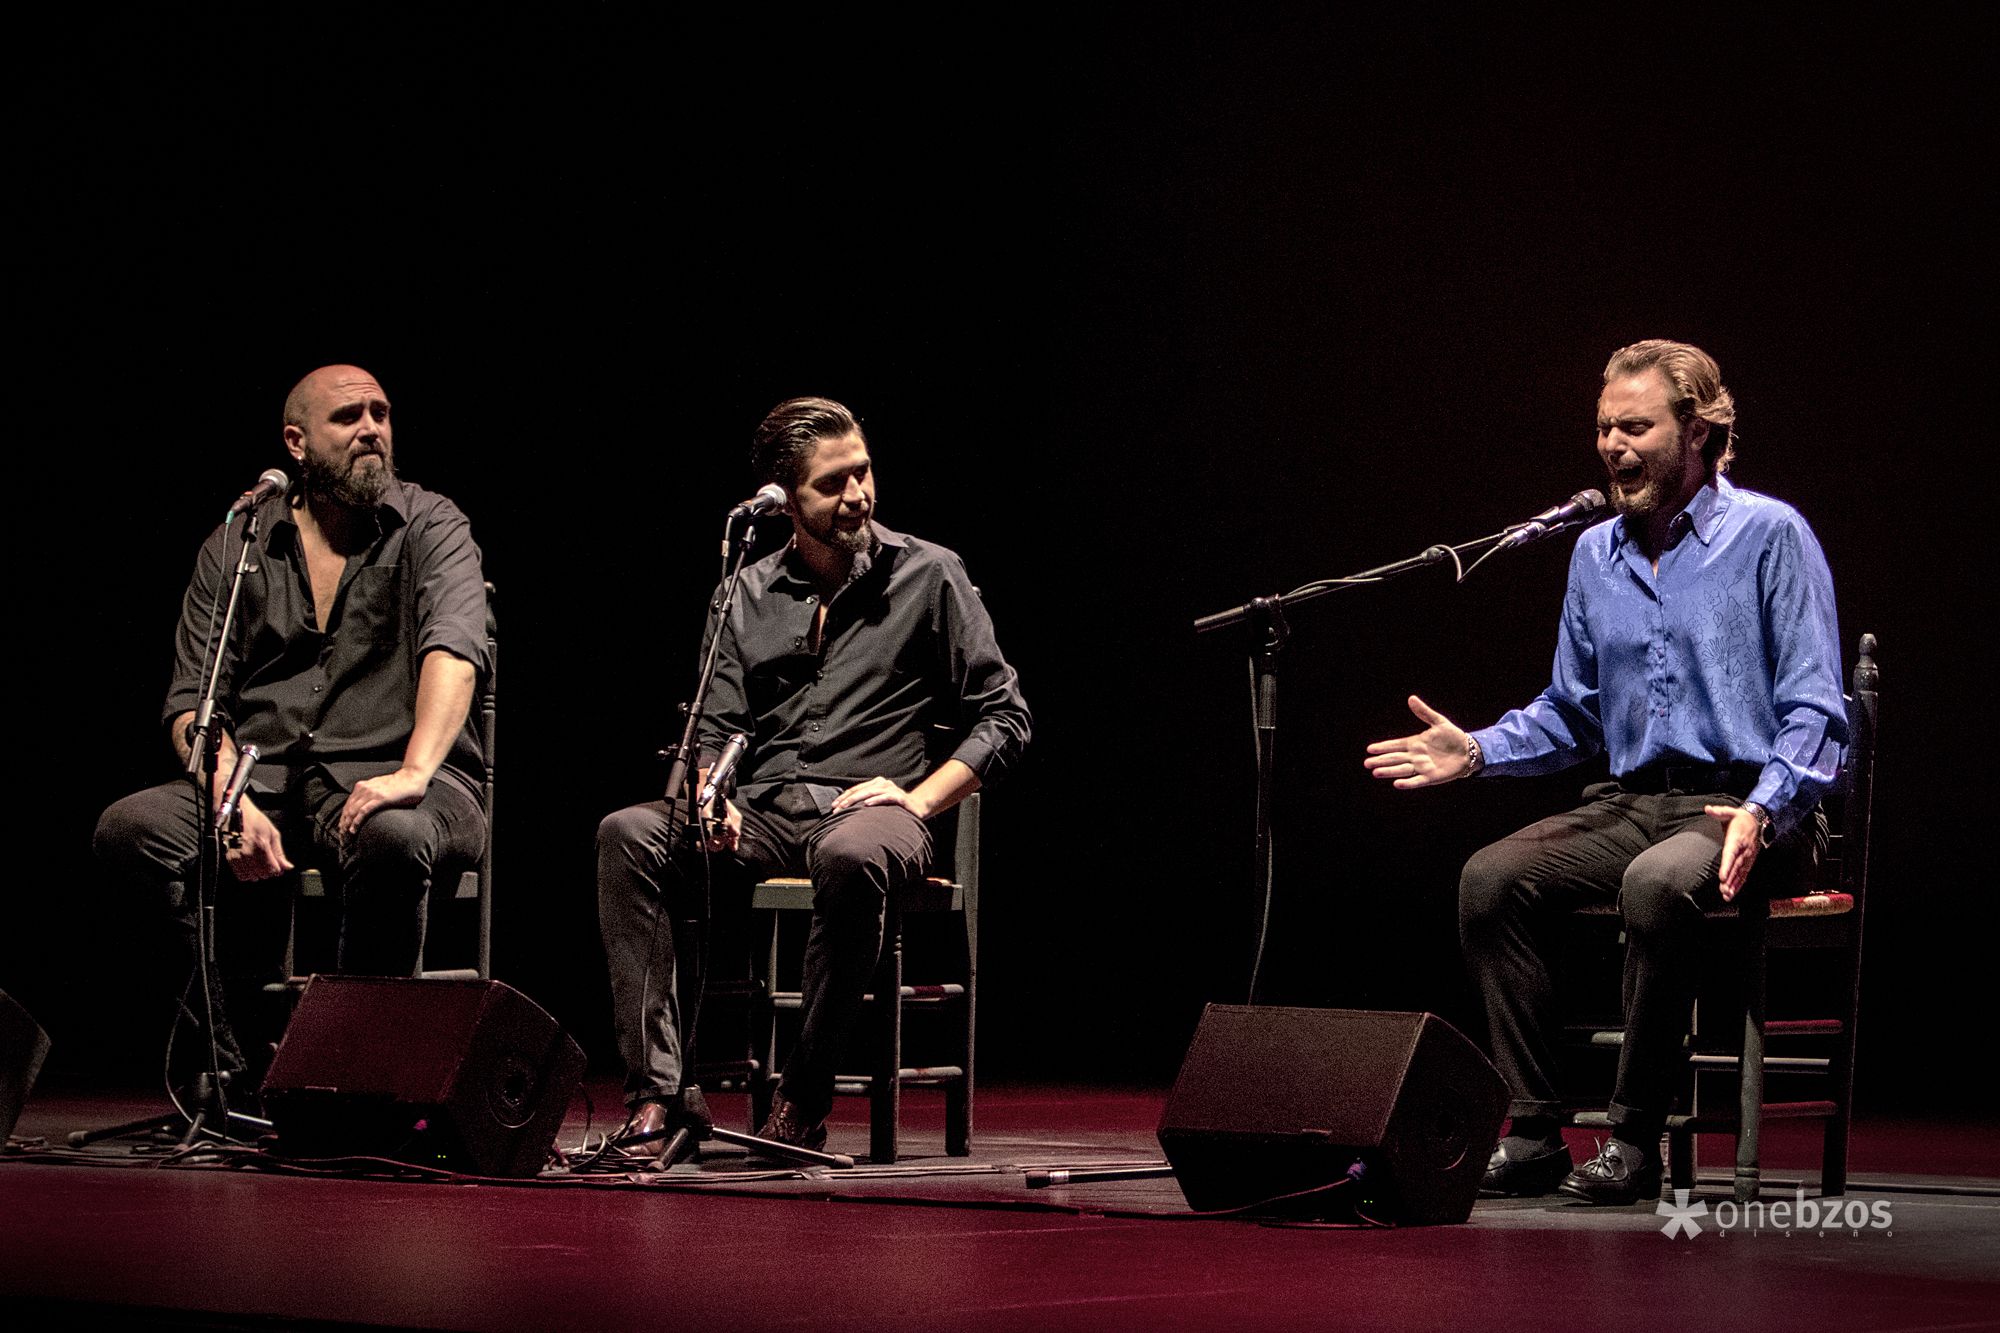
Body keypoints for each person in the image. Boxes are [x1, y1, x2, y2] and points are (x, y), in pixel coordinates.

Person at [1363, 340, 1844, 1204]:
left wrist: (1764, 807)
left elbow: (1817, 712)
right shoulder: (1595, 555)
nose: (1614, 446)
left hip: (1751, 808)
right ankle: (1537, 1128)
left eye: (1636, 426)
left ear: (1698, 430)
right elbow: (1573, 711)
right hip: (1633, 803)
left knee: (1657, 886)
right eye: (1603, 429)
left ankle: (1634, 1137)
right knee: (1491, 879)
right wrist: (1477, 748)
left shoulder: (1771, 535)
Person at [597, 396, 1031, 1156]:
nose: (858, 493)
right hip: (765, 810)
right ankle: (661, 1093)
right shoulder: (746, 589)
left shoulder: (930, 575)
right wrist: (711, 796)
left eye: (863, 471)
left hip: (875, 810)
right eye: (833, 483)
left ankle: (802, 1096)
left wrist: (921, 796)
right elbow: (715, 726)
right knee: (628, 835)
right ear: (784, 498)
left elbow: (1006, 716)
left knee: (851, 855)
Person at [94, 365, 489, 1090]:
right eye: (349, 418)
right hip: (266, 780)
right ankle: (234, 1068)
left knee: (393, 836)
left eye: (381, 412)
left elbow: (455, 651)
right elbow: (192, 704)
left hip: (409, 779)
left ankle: (356, 1081)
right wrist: (227, 797)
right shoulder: (239, 542)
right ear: (296, 442)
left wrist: (412, 771)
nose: (372, 428)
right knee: (130, 829)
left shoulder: (432, 524)